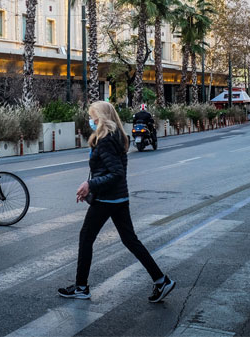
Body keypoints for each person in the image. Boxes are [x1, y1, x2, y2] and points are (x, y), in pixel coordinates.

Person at [58, 101, 175, 302]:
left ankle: (81, 287)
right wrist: (90, 185)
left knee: (86, 237)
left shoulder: (106, 140)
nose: (91, 120)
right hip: (119, 197)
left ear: (102, 118)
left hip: (107, 198)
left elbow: (116, 173)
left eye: (93, 117)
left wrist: (90, 185)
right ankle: (161, 280)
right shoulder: (117, 137)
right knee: (130, 240)